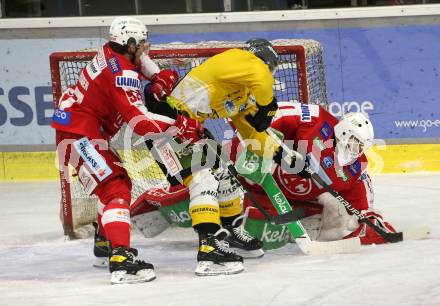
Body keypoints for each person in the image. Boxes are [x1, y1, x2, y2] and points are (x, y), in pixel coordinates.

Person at [52, 16, 201, 284]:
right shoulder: (121, 74)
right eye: (142, 43)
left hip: (80, 129)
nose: (146, 47)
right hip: (79, 135)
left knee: (112, 184)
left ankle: (104, 245)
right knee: (115, 188)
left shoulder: (113, 52)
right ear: (130, 43)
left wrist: (156, 75)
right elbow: (140, 121)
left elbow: (140, 61)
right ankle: (121, 260)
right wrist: (179, 126)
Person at [153, 38, 280, 275]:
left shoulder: (239, 90)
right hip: (166, 123)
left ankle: (230, 233)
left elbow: (251, 129)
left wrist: (281, 154)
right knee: (204, 179)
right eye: (269, 68)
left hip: (189, 127)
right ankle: (209, 250)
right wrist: (268, 106)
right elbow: (262, 79)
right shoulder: (242, 59)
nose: (268, 75)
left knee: (225, 175)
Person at [230, 101, 397, 245]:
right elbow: (276, 113)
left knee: (321, 220)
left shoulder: (356, 167)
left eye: (361, 147)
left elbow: (362, 206)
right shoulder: (316, 117)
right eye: (355, 143)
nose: (356, 151)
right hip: (258, 171)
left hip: (288, 202)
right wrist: (254, 137)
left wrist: (370, 218)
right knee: (232, 176)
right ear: (344, 133)